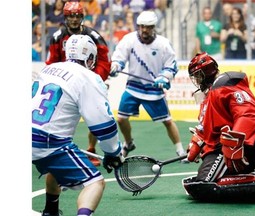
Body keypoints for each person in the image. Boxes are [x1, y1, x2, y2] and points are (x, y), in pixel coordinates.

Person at [32, 34, 124, 216]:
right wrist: (113, 152)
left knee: (55, 166)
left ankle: (50, 211)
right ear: (90, 58)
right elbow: (103, 125)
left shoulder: (50, 69)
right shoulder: (89, 77)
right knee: (95, 182)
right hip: (48, 141)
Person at [182, 52, 255, 206]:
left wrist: (235, 140)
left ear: (208, 72)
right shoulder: (208, 96)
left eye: (198, 75)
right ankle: (254, 175)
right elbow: (205, 127)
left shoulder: (225, 85)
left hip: (232, 149)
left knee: (201, 187)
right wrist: (195, 146)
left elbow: (249, 113)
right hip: (221, 148)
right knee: (193, 186)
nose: (197, 80)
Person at [109, 10, 186, 159]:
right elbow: (119, 57)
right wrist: (116, 66)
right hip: (134, 87)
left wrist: (164, 77)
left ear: (154, 27)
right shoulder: (129, 40)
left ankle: (180, 150)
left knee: (167, 121)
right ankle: (129, 143)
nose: (144, 30)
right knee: (121, 118)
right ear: (138, 26)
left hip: (153, 90)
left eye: (148, 27)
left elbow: (171, 66)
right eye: (142, 26)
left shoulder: (163, 43)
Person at [46, 1, 111, 166]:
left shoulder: (94, 36)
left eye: (77, 16)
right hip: (65, 86)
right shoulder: (57, 37)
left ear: (82, 17)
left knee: (94, 118)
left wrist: (95, 80)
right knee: (60, 119)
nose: (74, 19)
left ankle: (91, 150)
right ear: (65, 17)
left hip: (89, 84)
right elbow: (52, 62)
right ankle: (57, 151)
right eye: (70, 16)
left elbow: (104, 61)